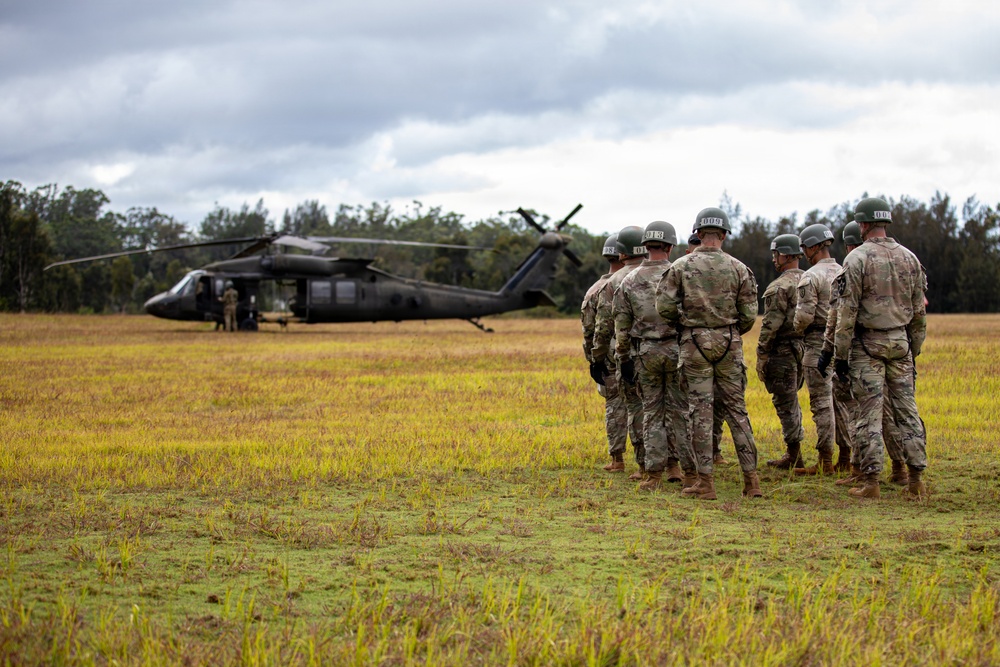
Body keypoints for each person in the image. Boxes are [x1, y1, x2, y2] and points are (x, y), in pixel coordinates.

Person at [656, 207, 761, 499]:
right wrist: (729, 329)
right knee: (737, 411)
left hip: (694, 342)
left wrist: (686, 324)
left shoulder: (680, 266)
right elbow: (750, 314)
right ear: (725, 234)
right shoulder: (740, 268)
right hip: (730, 341)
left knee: (700, 412)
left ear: (698, 233)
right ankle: (751, 482)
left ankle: (706, 483)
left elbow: (663, 307)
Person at [832, 197, 928, 499]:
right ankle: (916, 480)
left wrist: (840, 355)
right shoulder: (910, 258)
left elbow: (846, 312)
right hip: (901, 344)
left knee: (868, 415)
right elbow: (918, 313)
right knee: (907, 412)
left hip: (867, 346)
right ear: (885, 223)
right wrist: (914, 348)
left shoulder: (857, 259)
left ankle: (871, 482)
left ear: (862, 225)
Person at [819, 222, 909, 487]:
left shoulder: (853, 266)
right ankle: (901, 469)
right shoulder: (897, 262)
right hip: (897, 347)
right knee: (894, 413)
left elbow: (839, 316)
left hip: (863, 351)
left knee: (862, 415)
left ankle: (864, 472)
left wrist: (832, 353)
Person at [613, 221, 692, 490]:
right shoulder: (679, 273)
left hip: (645, 353)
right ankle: (685, 472)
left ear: (645, 246)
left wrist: (623, 358)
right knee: (681, 412)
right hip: (678, 351)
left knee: (652, 412)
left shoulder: (628, 280)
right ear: (670, 246)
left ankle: (653, 474)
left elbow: (621, 326)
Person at [591, 226, 647, 479]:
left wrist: (596, 357)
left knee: (622, 404)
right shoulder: (666, 273)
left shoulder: (610, 283)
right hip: (657, 349)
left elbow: (601, 327)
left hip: (620, 352)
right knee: (661, 406)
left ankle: (624, 460)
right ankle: (671, 465)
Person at [791, 223, 845, 474]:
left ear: (813, 247)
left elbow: (803, 318)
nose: (803, 252)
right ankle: (846, 457)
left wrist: (796, 329)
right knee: (844, 403)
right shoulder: (845, 270)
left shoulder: (811, 276)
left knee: (822, 405)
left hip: (816, 345)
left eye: (804, 247)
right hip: (844, 346)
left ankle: (825, 461)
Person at [581, 234, 630, 472]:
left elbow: (590, 329)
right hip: (636, 352)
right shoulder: (633, 279)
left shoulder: (595, 290)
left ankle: (617, 459)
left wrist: (594, 358)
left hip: (609, 355)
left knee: (614, 405)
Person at [758, 234, 806, 471]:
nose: (774, 258)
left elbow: (770, 324)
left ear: (786, 255)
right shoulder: (812, 279)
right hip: (804, 348)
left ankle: (794, 454)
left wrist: (762, 354)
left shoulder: (780, 286)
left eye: (776, 253)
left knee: (785, 401)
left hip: (783, 350)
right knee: (795, 400)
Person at [687, 232, 728, 466]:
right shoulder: (684, 269)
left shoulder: (726, 267)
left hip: (700, 344)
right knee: (695, 405)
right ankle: (697, 457)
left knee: (717, 404)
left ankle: (713, 451)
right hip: (705, 345)